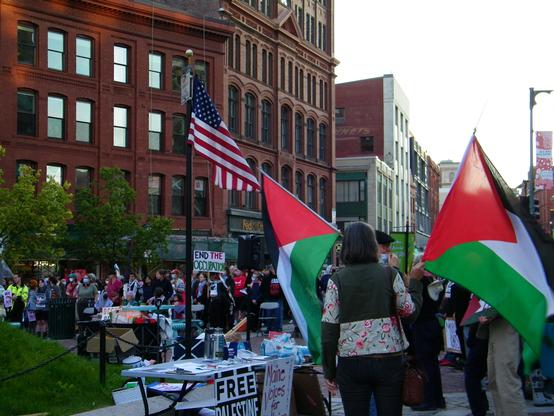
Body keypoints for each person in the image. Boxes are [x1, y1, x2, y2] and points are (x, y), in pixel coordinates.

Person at [321, 221, 424, 416]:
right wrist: (416, 285)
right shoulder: (390, 275)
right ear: (372, 245)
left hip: (351, 362)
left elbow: (329, 328)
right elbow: (409, 312)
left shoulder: (337, 280)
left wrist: (329, 370)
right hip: (388, 359)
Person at [410, 271, 446, 411]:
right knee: (432, 364)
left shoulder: (422, 283)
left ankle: (428, 399)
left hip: (423, 325)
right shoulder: (436, 283)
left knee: (425, 364)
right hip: (432, 324)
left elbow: (415, 305)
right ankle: (438, 398)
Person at [480, 311, 527, 415]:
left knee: (506, 381)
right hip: (495, 325)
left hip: (507, 323)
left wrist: (491, 314)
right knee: (495, 379)